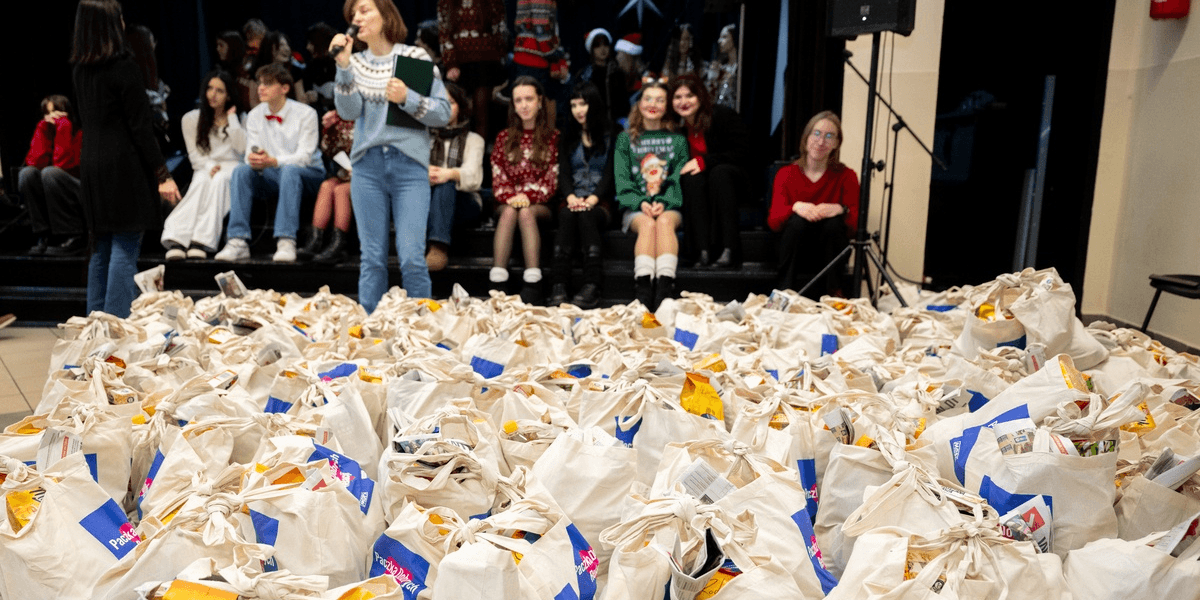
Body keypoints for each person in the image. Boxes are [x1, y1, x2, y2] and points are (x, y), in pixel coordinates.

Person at [332, 0, 452, 312]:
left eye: (364, 9)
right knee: (371, 257)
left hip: (409, 167)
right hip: (367, 167)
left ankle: (420, 327)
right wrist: (343, 67)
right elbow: (348, 112)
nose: (357, 17)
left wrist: (408, 98)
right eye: (353, 13)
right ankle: (372, 331)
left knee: (412, 256)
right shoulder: (354, 62)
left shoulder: (414, 56)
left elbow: (443, 112)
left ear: (385, 15)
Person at [71, 0, 181, 318]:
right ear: (109, 26)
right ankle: (114, 326)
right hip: (124, 166)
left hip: (91, 164)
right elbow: (141, 129)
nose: (123, 23)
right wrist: (162, 174)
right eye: (118, 18)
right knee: (124, 245)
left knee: (101, 247)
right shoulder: (125, 68)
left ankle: (94, 327)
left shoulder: (80, 70)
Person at [215, 63, 323, 263]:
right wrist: (256, 159)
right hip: (273, 173)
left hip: (309, 174)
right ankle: (237, 240)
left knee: (290, 170)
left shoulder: (306, 113)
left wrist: (273, 161)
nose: (260, 88)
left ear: (284, 88)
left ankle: (286, 239)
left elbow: (305, 157)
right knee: (241, 171)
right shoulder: (255, 115)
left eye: (268, 84)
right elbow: (250, 152)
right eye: (260, 83)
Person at [768, 110, 860, 298]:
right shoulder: (786, 174)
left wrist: (841, 209)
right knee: (796, 222)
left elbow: (856, 227)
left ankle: (835, 292)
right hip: (794, 251)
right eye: (816, 133)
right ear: (806, 137)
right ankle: (785, 292)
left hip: (828, 254)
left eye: (829, 136)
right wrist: (794, 207)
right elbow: (774, 222)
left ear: (836, 144)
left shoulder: (847, 176)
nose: (821, 141)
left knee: (834, 224)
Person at [614, 81, 689, 310]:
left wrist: (664, 203)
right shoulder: (625, 139)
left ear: (667, 106)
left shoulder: (678, 140)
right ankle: (644, 291)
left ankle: (664, 290)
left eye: (659, 100)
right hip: (636, 208)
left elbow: (678, 179)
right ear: (639, 103)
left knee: (664, 222)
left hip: (670, 206)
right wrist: (642, 202)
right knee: (647, 225)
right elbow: (622, 181)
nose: (653, 104)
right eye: (648, 98)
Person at [161, 69, 245, 260]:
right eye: (210, 88)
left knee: (220, 181)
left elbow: (242, 149)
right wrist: (208, 166)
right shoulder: (191, 118)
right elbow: (194, 154)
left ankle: (201, 240)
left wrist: (232, 119)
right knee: (201, 182)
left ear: (229, 95)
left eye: (220, 91)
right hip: (204, 165)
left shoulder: (241, 118)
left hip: (233, 166)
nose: (213, 94)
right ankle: (177, 237)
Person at [490, 76, 559, 305]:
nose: (524, 105)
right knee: (511, 211)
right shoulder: (504, 138)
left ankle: (533, 282)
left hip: (541, 205)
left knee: (526, 212)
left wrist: (527, 197)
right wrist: (512, 197)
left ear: (540, 101)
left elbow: (552, 178)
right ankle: (498, 281)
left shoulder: (553, 137)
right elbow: (498, 176)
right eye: (518, 100)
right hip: (508, 203)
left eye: (529, 99)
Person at [671, 73, 749, 269]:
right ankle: (701, 251)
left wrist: (705, 161)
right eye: (677, 97)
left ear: (700, 96)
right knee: (691, 179)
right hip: (700, 185)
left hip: (732, 179)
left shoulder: (722, 115)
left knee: (719, 173)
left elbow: (743, 152)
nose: (683, 102)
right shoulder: (674, 129)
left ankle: (729, 250)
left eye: (689, 96)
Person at [548, 81, 614, 309]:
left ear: (593, 104)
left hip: (601, 201)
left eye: (583, 104)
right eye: (574, 105)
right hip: (572, 198)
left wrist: (593, 199)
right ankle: (558, 285)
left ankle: (592, 285)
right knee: (567, 216)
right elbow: (563, 171)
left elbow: (610, 173)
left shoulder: (611, 134)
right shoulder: (567, 136)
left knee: (587, 216)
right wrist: (570, 197)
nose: (578, 110)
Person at [426, 81, 485, 272]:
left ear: (460, 106)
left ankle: (438, 248)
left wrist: (448, 174)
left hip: (465, 203)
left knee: (446, 185)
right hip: (428, 200)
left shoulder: (474, 140)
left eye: (450, 103)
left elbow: (474, 176)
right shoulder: (424, 138)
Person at [20, 94, 86, 256]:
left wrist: (63, 128)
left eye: (57, 112)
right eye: (48, 113)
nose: (53, 117)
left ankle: (73, 235)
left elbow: (63, 166)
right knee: (27, 173)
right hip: (51, 191)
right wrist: (42, 130)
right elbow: (34, 162)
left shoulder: (79, 134)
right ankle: (43, 234)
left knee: (51, 173)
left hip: (78, 191)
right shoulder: (46, 131)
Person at [437, 0, 507, 138]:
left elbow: (500, 29)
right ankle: (458, 153)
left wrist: (499, 60)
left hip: (486, 63)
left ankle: (478, 155)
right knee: (460, 113)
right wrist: (451, 63)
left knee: (482, 113)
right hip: (458, 65)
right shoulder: (445, 2)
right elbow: (443, 32)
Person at [296, 109, 355, 264]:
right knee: (327, 186)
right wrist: (329, 130)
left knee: (341, 190)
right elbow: (331, 151)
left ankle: (339, 245)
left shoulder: (372, 117)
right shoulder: (339, 120)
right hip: (347, 172)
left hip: (373, 174)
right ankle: (315, 241)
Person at [572, 28, 627, 127]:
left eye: (605, 44)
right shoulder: (585, 75)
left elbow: (624, 102)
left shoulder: (617, 72)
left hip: (617, 123)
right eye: (597, 45)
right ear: (591, 49)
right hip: (594, 124)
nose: (602, 49)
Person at [250, 31, 308, 106]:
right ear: (270, 48)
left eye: (287, 45)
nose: (287, 49)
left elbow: (301, 101)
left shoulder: (295, 71)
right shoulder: (257, 72)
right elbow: (254, 103)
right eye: (281, 45)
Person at [305, 23, 339, 110]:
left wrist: (319, 99)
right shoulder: (311, 67)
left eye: (311, 43)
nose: (308, 47)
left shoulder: (343, 65)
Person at [215, 30, 253, 109]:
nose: (217, 49)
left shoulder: (246, 73)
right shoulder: (219, 71)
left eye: (221, 45)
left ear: (232, 47)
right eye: (217, 45)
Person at [705, 24, 739, 110]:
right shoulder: (720, 68)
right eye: (720, 37)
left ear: (734, 39)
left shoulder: (738, 68)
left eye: (724, 37)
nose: (719, 41)